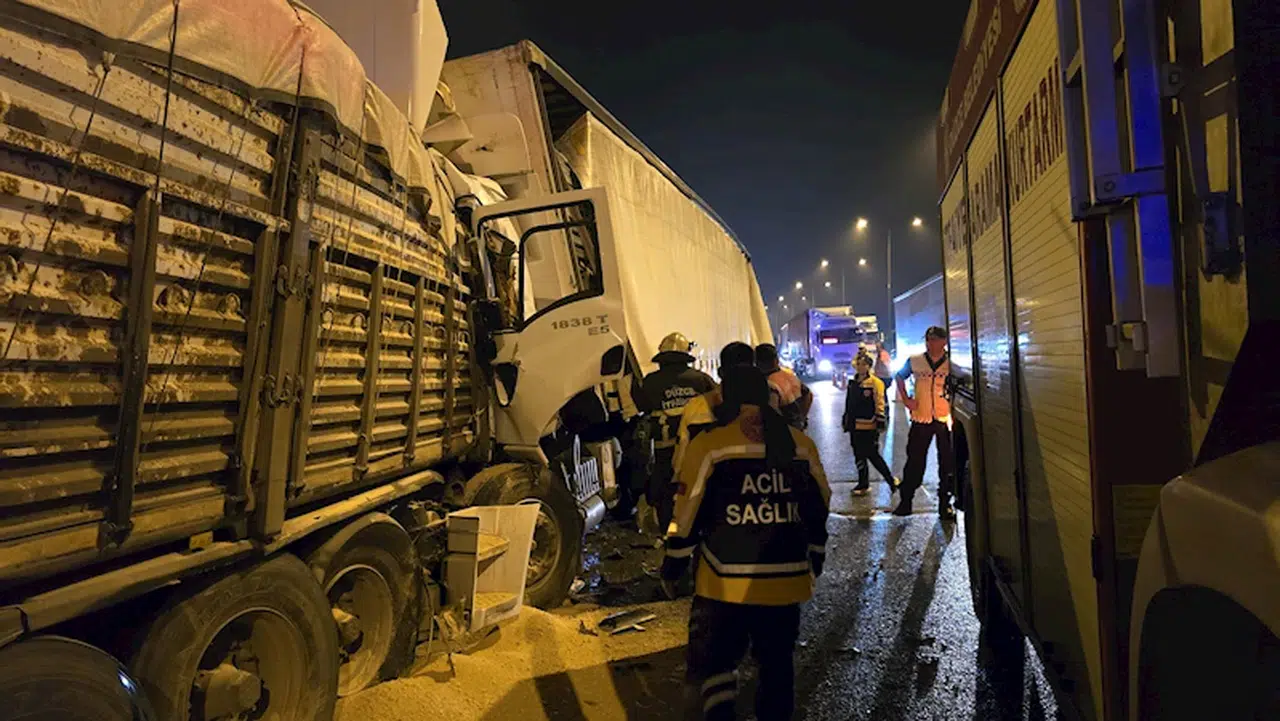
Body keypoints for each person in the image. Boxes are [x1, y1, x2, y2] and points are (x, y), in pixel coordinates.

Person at [662, 353, 830, 721]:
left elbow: (686, 513)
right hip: (787, 582)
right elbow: (820, 502)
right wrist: (815, 552)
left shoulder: (710, 445)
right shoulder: (800, 443)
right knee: (776, 668)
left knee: (718, 666)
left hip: (724, 586)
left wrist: (673, 564)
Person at [636, 332, 717, 533]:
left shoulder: (650, 382)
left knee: (665, 490)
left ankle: (669, 534)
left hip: (665, 450)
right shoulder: (702, 380)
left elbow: (641, 407)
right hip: (698, 448)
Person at [893, 326, 955, 518]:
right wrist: (906, 398)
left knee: (947, 463)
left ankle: (945, 503)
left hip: (944, 419)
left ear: (944, 341)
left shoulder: (953, 363)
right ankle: (906, 502)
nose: (931, 343)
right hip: (921, 418)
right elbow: (899, 375)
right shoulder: (915, 361)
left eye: (935, 340)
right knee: (914, 461)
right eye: (928, 340)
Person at [672, 342, 757, 473]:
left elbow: (681, 462)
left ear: (720, 372)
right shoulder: (768, 407)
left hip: (709, 484)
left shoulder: (697, 407)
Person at [842, 352, 899, 496]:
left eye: (864, 364)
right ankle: (863, 483)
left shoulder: (875, 383)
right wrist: (846, 419)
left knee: (873, 455)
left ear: (869, 366)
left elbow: (880, 402)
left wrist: (880, 420)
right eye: (858, 364)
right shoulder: (853, 382)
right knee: (858, 455)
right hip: (855, 425)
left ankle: (890, 480)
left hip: (869, 425)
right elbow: (849, 403)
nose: (861, 367)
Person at [755, 343, 813, 430]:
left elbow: (772, 411)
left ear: (758, 362)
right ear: (776, 360)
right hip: (797, 427)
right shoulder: (790, 376)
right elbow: (808, 395)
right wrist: (802, 418)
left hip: (784, 429)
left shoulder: (768, 383)